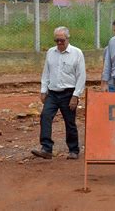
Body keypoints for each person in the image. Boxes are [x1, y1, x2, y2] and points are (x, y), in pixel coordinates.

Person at [31, 26, 86, 160]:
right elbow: (46, 72)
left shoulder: (77, 53)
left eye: (61, 40)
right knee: (45, 116)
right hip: (53, 93)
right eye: (57, 40)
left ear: (67, 38)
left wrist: (76, 95)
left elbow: (81, 76)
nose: (59, 43)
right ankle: (46, 148)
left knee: (69, 122)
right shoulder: (51, 52)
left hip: (69, 93)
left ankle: (73, 150)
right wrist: (43, 90)